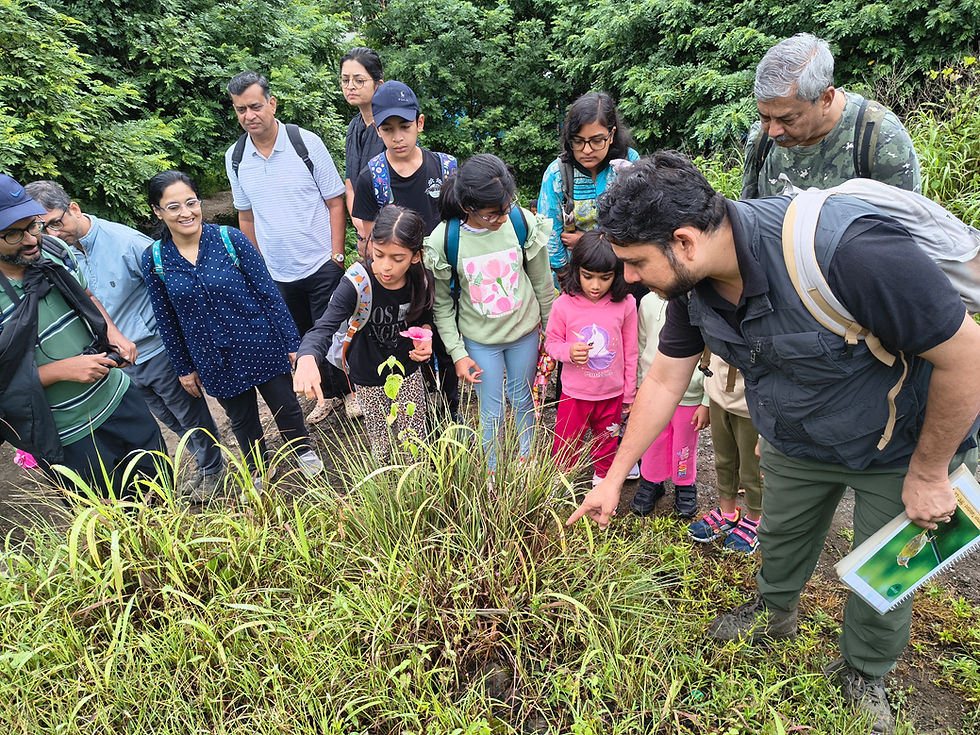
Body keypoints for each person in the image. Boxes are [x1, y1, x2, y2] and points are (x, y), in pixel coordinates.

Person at [567, 152, 980, 733]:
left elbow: (968, 356)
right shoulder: (691, 285)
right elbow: (664, 377)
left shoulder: (848, 251)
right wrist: (613, 477)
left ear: (684, 241)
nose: (628, 278)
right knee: (781, 535)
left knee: (889, 568)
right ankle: (773, 610)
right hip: (795, 436)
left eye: (635, 264)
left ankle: (866, 670)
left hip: (901, 442)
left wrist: (932, 471)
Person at [25, 180, 225, 500]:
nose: (51, 234)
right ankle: (207, 465)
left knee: (190, 415)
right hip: (119, 361)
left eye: (56, 223)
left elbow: (173, 293)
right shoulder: (52, 255)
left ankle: (216, 471)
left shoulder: (125, 242)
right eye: (41, 228)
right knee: (169, 419)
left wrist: (188, 353)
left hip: (157, 350)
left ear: (74, 208)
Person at [140, 171, 323, 483]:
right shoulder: (155, 259)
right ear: (158, 211)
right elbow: (166, 319)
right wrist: (183, 367)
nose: (186, 213)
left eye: (190, 202)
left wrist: (293, 343)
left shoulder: (229, 239)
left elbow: (268, 293)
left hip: (259, 340)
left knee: (285, 404)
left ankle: (302, 449)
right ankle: (258, 467)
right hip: (212, 357)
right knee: (240, 418)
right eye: (173, 207)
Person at [0, 174, 163, 499]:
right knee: (110, 516)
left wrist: (113, 332)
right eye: (13, 234)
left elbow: (86, 294)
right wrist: (62, 371)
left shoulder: (55, 250)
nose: (32, 240)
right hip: (66, 431)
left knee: (159, 485)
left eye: (34, 225)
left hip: (118, 399)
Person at [223, 70, 355, 418]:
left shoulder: (305, 143)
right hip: (277, 272)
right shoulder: (235, 158)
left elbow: (335, 201)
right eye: (240, 110)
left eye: (254, 106)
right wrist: (256, 267)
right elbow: (246, 216)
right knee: (300, 338)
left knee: (334, 333)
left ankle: (351, 391)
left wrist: (337, 255)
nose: (248, 116)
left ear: (272, 103)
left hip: (320, 262)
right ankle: (327, 397)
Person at [425, 154, 555, 469]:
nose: (501, 218)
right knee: (491, 411)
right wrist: (457, 353)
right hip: (480, 342)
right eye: (492, 215)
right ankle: (492, 474)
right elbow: (441, 306)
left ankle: (528, 467)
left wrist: (552, 333)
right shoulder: (446, 239)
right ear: (468, 208)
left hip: (525, 333)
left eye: (506, 208)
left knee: (525, 401)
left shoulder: (521, 222)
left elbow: (542, 283)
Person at [351, 79, 459, 420]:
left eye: (405, 127)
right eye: (388, 129)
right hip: (403, 288)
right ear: (378, 130)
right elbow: (369, 242)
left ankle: (451, 415)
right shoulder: (373, 178)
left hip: (444, 280)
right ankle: (419, 423)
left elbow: (461, 222)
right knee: (411, 356)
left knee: (446, 348)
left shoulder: (446, 168)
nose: (398, 137)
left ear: (420, 124)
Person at [294, 205, 433, 463]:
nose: (385, 267)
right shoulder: (357, 284)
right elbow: (324, 326)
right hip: (367, 376)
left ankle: (417, 489)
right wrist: (307, 358)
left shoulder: (421, 279)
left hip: (409, 372)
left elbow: (425, 316)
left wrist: (426, 335)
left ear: (415, 256)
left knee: (415, 441)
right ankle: (386, 492)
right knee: (381, 442)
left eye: (397, 258)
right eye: (378, 255)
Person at [741, 33, 920, 199]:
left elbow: (908, 228)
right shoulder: (761, 141)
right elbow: (749, 220)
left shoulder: (880, 138)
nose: (773, 131)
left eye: (787, 119)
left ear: (826, 99)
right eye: (764, 117)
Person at [545, 231, 637, 485]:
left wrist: (629, 393)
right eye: (588, 276)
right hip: (575, 395)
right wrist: (568, 352)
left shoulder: (626, 304)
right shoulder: (563, 305)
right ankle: (561, 484)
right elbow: (551, 344)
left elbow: (630, 351)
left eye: (605, 278)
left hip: (612, 395)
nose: (595, 286)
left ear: (617, 274)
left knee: (607, 442)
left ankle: (603, 483)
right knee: (566, 443)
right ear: (576, 271)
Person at [537, 91, 640, 281]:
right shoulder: (557, 174)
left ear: (612, 134)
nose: (587, 150)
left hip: (622, 274)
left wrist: (585, 240)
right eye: (578, 141)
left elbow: (637, 223)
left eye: (596, 141)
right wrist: (564, 275)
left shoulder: (628, 164)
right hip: (575, 276)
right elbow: (548, 232)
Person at [629, 289, 710, 519]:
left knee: (684, 444)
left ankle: (684, 483)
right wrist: (637, 384)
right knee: (654, 440)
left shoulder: (700, 303)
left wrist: (706, 401)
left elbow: (712, 354)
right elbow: (641, 342)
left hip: (690, 392)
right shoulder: (646, 301)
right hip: (653, 391)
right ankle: (652, 481)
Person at [686, 351, 762, 552]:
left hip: (754, 403)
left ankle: (756, 519)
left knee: (752, 469)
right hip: (719, 394)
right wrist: (706, 400)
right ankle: (727, 514)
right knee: (723, 460)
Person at [340, 47, 386, 247]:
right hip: (363, 233)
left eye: (359, 81)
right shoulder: (354, 126)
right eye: (345, 80)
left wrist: (372, 232)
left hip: (389, 232)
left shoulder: (392, 128)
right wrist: (360, 227)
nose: (350, 86)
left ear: (378, 84)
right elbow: (350, 184)